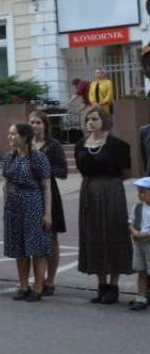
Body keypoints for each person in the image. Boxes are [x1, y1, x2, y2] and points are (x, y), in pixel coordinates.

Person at [76, 105, 132, 305]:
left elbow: (126, 172)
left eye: (94, 119)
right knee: (95, 236)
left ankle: (113, 286)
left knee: (114, 234)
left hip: (111, 190)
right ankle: (101, 285)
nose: (90, 123)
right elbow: (83, 169)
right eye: (88, 120)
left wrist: (109, 185)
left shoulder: (117, 144)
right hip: (89, 191)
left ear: (104, 121)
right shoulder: (81, 144)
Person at [3, 123, 54, 301]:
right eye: (9, 134)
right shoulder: (9, 156)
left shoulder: (38, 157)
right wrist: (5, 206)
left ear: (24, 137)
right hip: (14, 207)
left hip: (33, 204)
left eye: (13, 134)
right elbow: (7, 183)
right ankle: (23, 286)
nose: (9, 137)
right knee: (19, 247)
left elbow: (47, 187)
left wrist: (48, 213)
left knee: (37, 247)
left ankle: (38, 288)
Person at [28, 112, 68, 294]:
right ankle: (38, 280)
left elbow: (63, 171)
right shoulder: (26, 144)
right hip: (29, 194)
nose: (35, 125)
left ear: (45, 125)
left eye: (38, 122)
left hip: (49, 192)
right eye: (31, 122)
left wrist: (43, 169)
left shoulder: (53, 145)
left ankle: (50, 281)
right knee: (34, 239)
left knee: (52, 238)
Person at [128, 177, 150, 311]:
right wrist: (134, 231)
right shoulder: (137, 207)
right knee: (141, 270)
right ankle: (141, 297)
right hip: (139, 243)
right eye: (138, 191)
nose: (139, 194)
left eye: (143, 191)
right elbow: (130, 223)